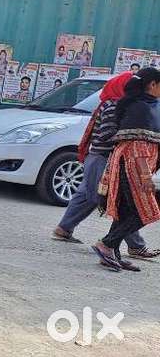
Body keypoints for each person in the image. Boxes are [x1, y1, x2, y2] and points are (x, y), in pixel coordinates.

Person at [52, 71, 158, 258]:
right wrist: (127, 141)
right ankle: (130, 245)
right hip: (104, 159)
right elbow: (109, 135)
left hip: (101, 158)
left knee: (88, 197)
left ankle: (64, 228)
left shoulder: (114, 103)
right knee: (121, 204)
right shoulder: (116, 105)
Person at [92, 68, 160, 271]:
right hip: (133, 166)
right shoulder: (141, 107)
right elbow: (137, 144)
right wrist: (146, 175)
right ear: (152, 84)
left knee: (125, 210)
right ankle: (106, 244)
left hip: (132, 165)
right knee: (146, 211)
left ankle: (113, 254)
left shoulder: (146, 104)